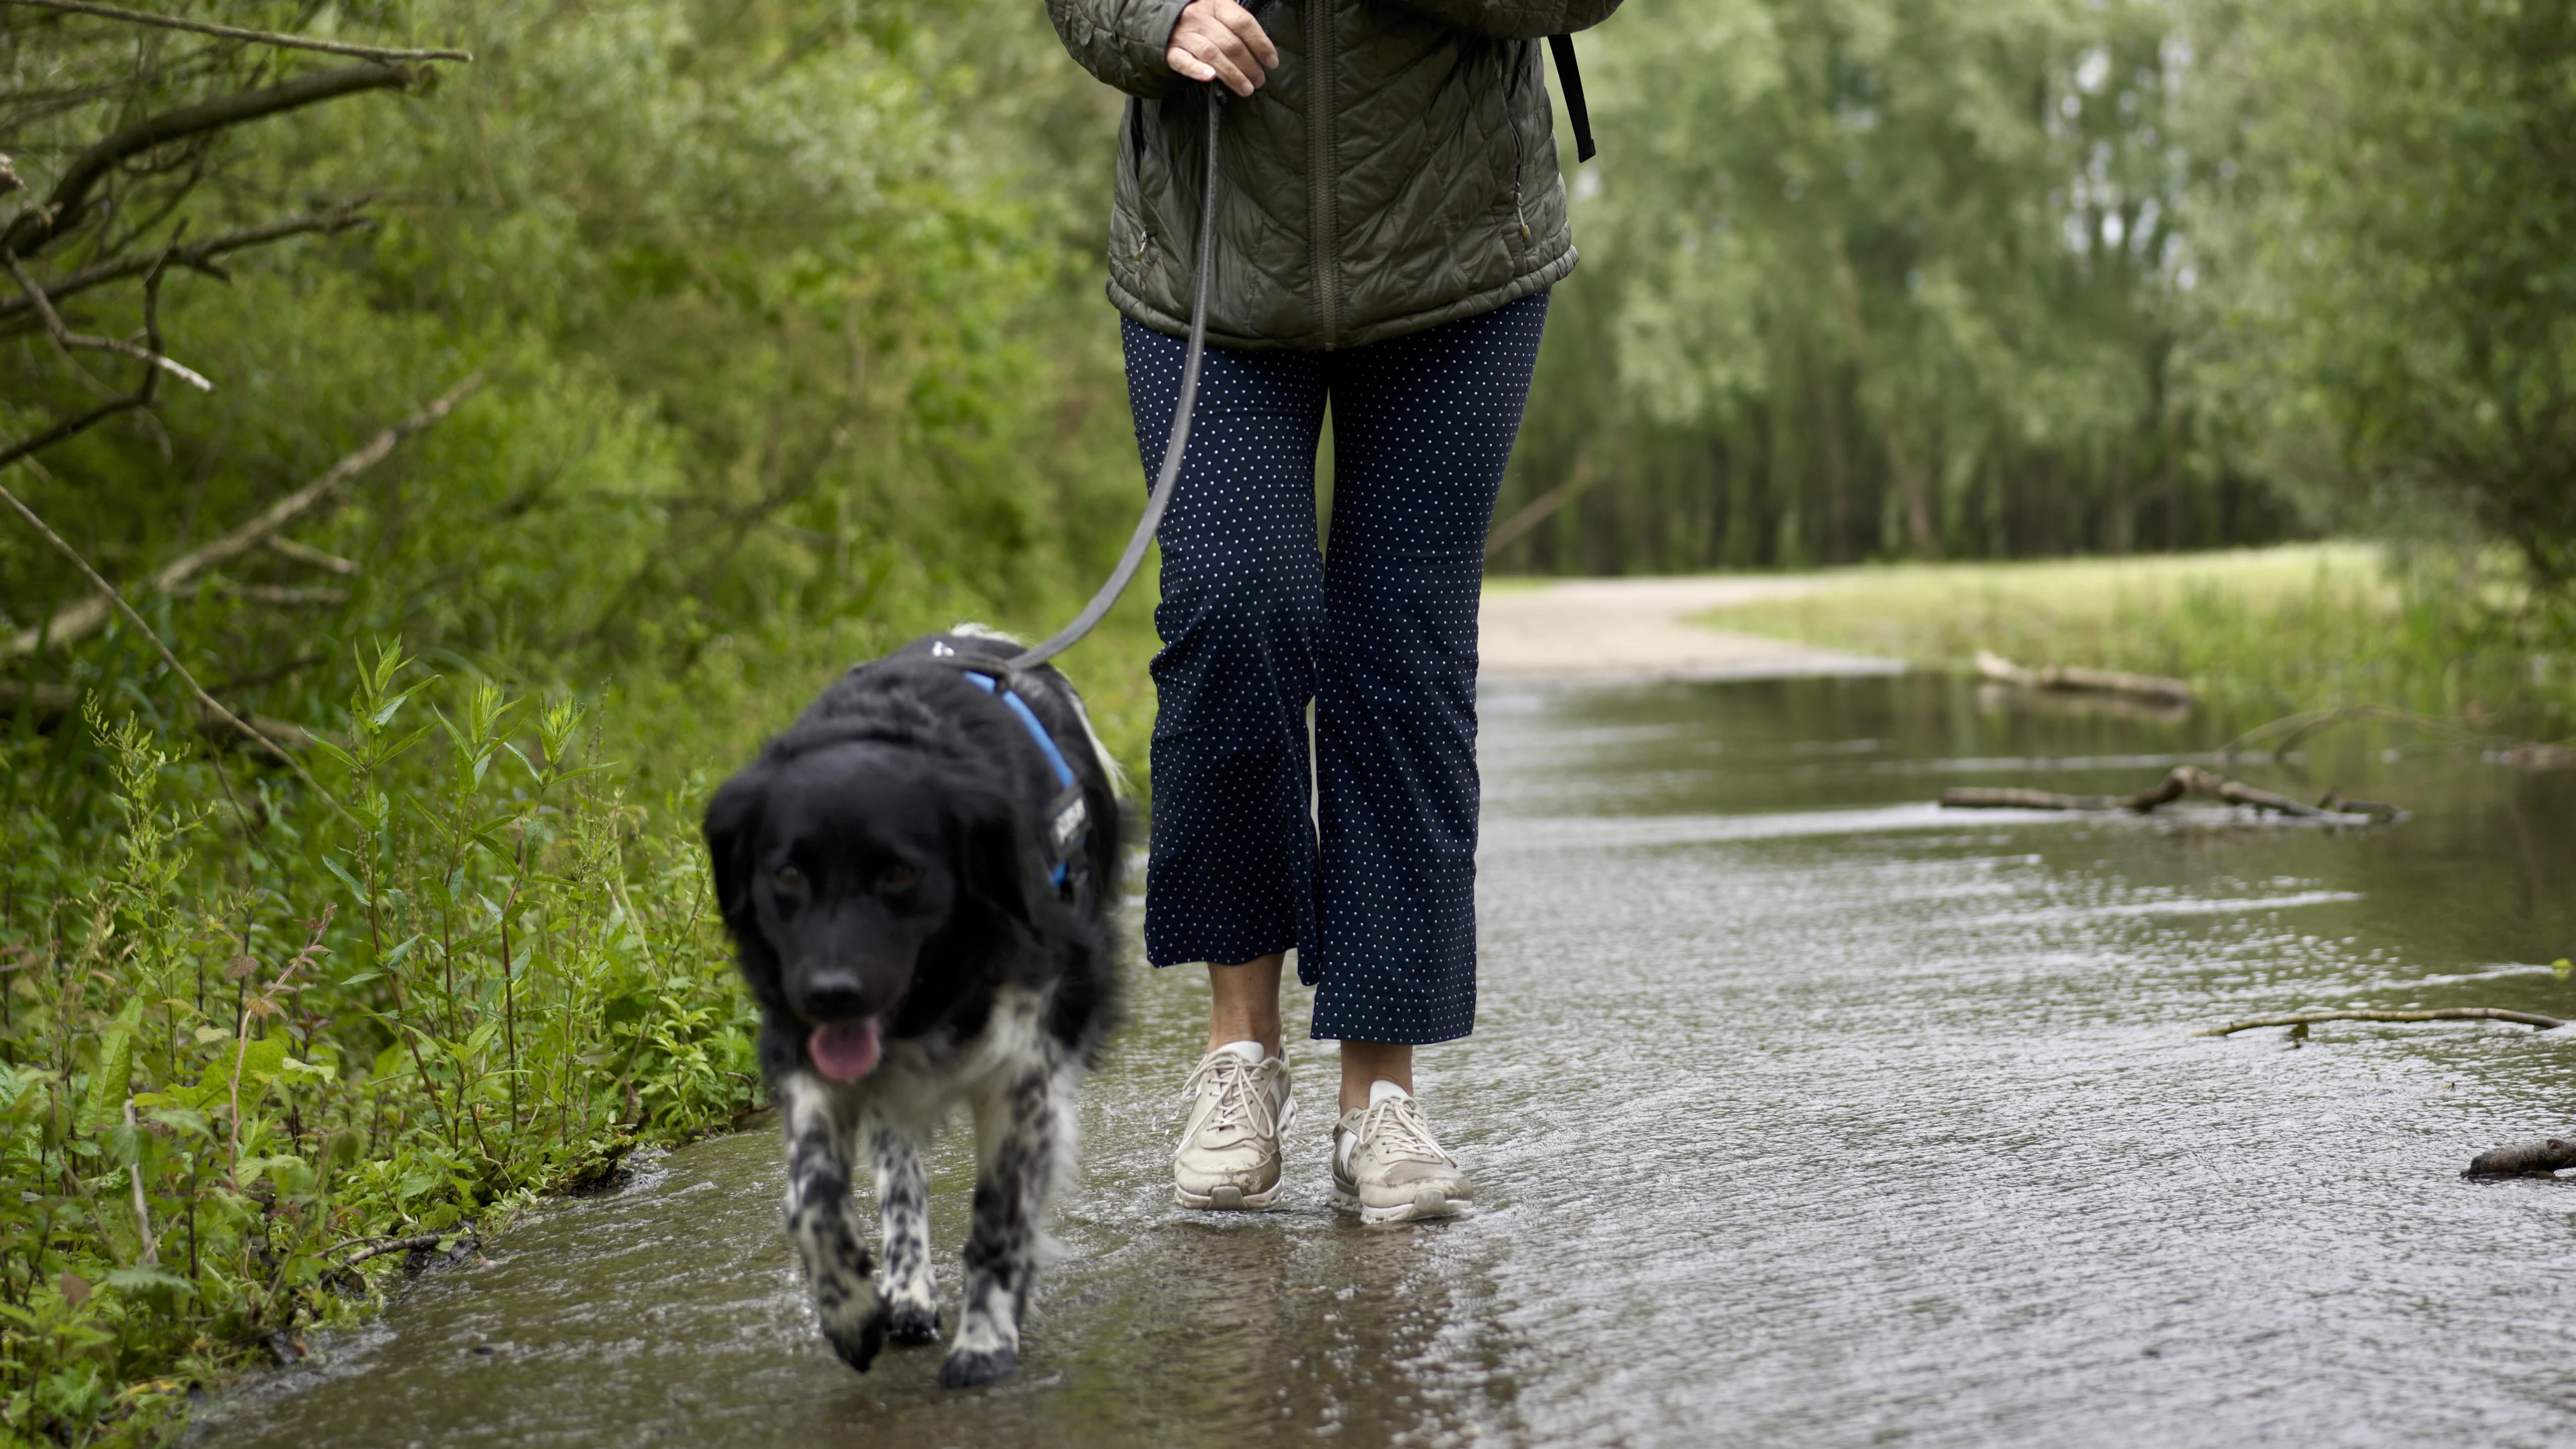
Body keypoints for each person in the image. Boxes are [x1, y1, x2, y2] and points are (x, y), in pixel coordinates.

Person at [1048, 0, 1617, 1223]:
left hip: (1457, 255)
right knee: (1231, 609)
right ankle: (1238, 1050)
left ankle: (1382, 1100)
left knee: (1399, 653)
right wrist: (1157, 20)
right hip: (1213, 256)